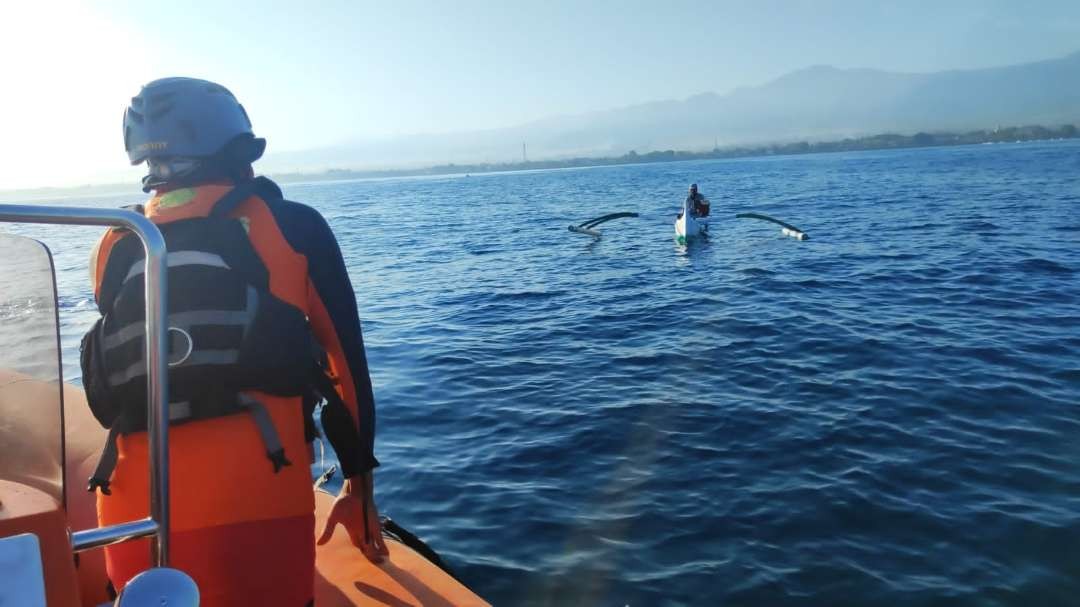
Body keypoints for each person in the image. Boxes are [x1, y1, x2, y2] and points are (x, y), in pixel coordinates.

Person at [85, 77, 386, 606]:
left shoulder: (116, 242)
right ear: (238, 148)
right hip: (259, 508)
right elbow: (347, 370)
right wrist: (359, 490)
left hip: (131, 520)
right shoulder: (292, 226)